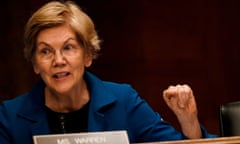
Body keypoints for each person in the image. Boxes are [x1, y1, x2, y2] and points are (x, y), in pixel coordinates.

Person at [0, 1, 216, 144]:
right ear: (35, 63)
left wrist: (189, 121)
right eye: (45, 51)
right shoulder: (10, 117)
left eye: (68, 47)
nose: (58, 61)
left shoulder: (123, 102)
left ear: (88, 55)